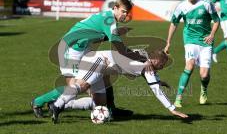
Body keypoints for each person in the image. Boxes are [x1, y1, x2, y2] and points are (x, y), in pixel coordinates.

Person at [31, 0, 150, 117]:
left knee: (103, 74)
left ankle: (111, 109)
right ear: (115, 8)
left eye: (127, 13)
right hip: (70, 47)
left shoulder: (109, 18)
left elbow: (103, 36)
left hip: (83, 48)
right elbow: (119, 47)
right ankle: (38, 102)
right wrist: (139, 57)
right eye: (123, 11)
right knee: (74, 86)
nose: (125, 15)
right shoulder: (109, 20)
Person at [49, 49, 188, 123]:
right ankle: (57, 104)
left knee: (100, 104)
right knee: (83, 85)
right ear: (156, 60)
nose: (162, 68)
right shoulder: (148, 67)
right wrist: (172, 109)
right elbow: (156, 90)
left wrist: (159, 81)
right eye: (161, 65)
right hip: (98, 61)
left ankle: (61, 105)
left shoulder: (145, 55)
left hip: (102, 63)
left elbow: (151, 76)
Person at [164, 0, 220, 108]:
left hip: (206, 41)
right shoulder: (181, 6)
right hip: (190, 40)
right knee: (189, 65)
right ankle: (178, 98)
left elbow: (216, 20)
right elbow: (174, 23)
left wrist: (212, 34)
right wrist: (168, 42)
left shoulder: (206, 3)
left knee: (204, 74)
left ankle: (203, 90)